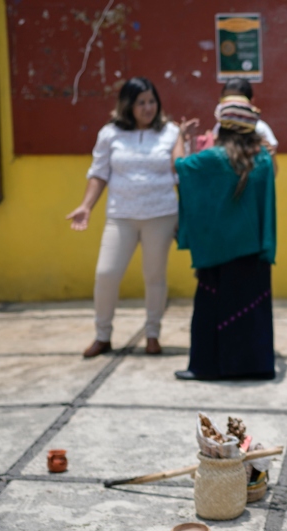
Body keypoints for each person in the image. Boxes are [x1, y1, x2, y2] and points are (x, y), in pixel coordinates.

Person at [65, 77, 179, 358]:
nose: (148, 108)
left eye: (152, 101)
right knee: (106, 274)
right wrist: (86, 206)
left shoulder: (171, 132)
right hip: (122, 216)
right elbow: (99, 172)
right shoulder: (110, 133)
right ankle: (102, 336)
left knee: (154, 276)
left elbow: (181, 173)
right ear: (128, 105)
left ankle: (152, 334)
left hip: (161, 214)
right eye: (141, 103)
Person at [170, 97, 277, 381]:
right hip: (253, 249)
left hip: (218, 250)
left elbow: (179, 168)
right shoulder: (263, 158)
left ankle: (205, 367)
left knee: (211, 310)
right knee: (252, 311)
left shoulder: (213, 158)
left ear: (223, 128)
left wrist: (181, 137)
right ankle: (257, 366)